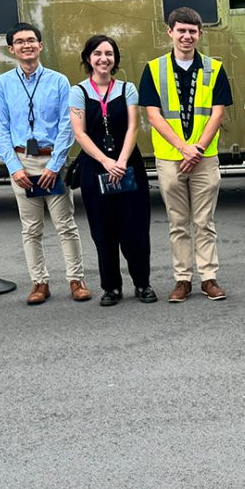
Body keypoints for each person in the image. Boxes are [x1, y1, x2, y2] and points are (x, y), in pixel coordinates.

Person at [0, 22, 89, 305]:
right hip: (22, 162)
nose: (26, 45)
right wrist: (14, 167)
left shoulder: (58, 82)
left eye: (31, 40)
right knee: (31, 228)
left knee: (65, 224)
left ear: (40, 45)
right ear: (12, 49)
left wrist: (55, 165)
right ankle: (39, 283)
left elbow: (66, 126)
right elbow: (2, 128)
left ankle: (76, 279)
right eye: (20, 42)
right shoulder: (2, 84)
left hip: (52, 161)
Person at [139, 7, 232, 302]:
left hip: (204, 158)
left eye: (192, 31)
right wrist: (183, 148)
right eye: (181, 30)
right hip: (170, 157)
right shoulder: (154, 69)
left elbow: (218, 114)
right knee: (178, 222)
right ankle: (182, 279)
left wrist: (198, 149)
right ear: (170, 32)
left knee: (204, 221)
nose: (187, 36)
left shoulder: (214, 68)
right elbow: (153, 115)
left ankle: (208, 277)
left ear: (200, 34)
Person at [70, 34, 156, 307]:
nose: (103, 59)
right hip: (96, 169)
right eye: (97, 53)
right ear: (88, 58)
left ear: (115, 59)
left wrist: (120, 160)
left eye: (108, 54)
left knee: (135, 229)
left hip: (128, 166)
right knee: (103, 230)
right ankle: (111, 287)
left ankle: (142, 283)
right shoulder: (78, 92)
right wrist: (106, 162)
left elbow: (133, 127)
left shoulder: (128, 88)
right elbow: (80, 134)